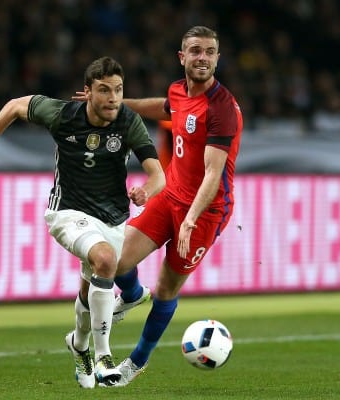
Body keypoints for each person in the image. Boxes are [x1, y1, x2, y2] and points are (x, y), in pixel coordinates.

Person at [0, 56, 165, 388]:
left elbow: (157, 174)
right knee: (105, 260)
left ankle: (79, 344)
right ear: (87, 92)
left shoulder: (129, 122)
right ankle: (104, 357)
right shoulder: (63, 115)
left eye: (118, 90)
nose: (113, 98)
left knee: (92, 287)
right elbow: (16, 106)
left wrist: (146, 191)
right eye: (104, 90)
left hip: (113, 218)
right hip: (67, 211)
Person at [110, 25, 243, 386]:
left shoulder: (222, 109)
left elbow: (213, 173)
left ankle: (136, 362)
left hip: (206, 211)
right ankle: (133, 295)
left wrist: (190, 221)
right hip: (170, 195)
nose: (203, 57)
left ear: (218, 58)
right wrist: (120, 105)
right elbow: (165, 107)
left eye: (210, 51)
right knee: (117, 261)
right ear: (182, 57)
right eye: (196, 50)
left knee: (167, 289)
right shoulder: (178, 90)